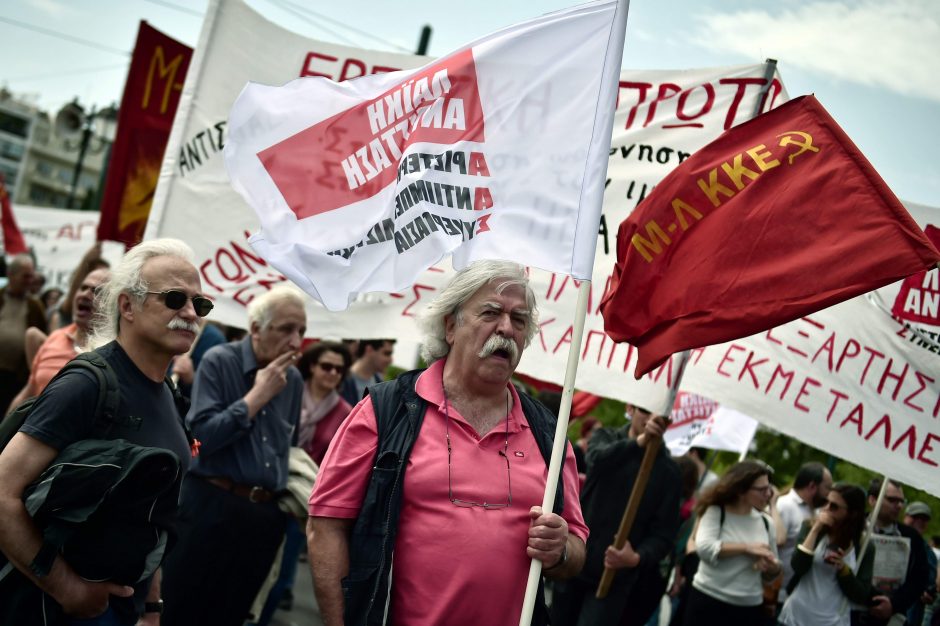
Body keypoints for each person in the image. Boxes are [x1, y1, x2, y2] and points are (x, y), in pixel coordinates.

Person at [307, 260, 588, 626]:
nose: (506, 327)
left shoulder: (548, 432)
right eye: (491, 312)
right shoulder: (386, 410)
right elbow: (326, 525)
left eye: (519, 320)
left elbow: (576, 549)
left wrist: (560, 550)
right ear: (451, 325)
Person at [0, 238, 208, 625]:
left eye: (201, 304)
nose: (191, 313)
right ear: (127, 305)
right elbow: (2, 493)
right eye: (175, 299)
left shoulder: (171, 394)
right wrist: (67, 588)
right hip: (55, 608)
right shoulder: (89, 384)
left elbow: (154, 516)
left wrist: (150, 608)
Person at [160, 286, 306, 626]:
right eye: (286, 329)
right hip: (212, 505)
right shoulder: (220, 360)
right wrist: (256, 397)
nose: (296, 342)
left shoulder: (294, 379)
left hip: (263, 517)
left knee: (233, 614)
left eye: (301, 331)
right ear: (256, 329)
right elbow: (202, 437)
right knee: (181, 610)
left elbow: (288, 446)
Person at [551, 404, 681, 626]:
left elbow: (664, 534)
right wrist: (638, 444)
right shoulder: (605, 437)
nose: (650, 419)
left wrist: (637, 557)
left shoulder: (669, 473)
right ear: (630, 409)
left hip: (613, 578)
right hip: (575, 559)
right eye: (645, 410)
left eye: (659, 416)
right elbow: (597, 460)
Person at [683, 460, 781, 625]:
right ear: (741, 491)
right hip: (708, 600)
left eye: (769, 488)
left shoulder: (766, 523)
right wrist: (747, 548)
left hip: (748, 607)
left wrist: (772, 567)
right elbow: (704, 548)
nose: (769, 494)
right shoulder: (716, 511)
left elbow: (772, 572)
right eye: (762, 489)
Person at [6, 267, 111, 413]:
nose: (86, 294)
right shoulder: (55, 338)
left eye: (97, 291)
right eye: (83, 287)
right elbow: (29, 390)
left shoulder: (113, 353)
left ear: (112, 304)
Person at [778, 483, 874, 626]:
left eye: (834, 507)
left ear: (852, 513)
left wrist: (844, 570)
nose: (826, 509)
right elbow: (798, 566)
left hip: (832, 621)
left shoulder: (864, 545)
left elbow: (861, 595)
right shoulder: (810, 527)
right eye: (825, 502)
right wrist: (815, 530)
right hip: (795, 616)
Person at [856, 479, 929, 626]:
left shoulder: (912, 537)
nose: (899, 506)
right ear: (872, 500)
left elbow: (919, 579)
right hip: (852, 611)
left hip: (891, 617)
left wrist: (894, 604)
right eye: (892, 500)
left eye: (902, 501)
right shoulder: (853, 527)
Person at [777, 461, 833, 600]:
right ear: (812, 486)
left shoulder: (818, 510)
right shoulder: (784, 506)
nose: (830, 494)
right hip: (777, 594)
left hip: (799, 595)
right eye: (827, 488)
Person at [0, 254, 47, 410]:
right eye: (25, 276)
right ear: (10, 275)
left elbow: (44, 341)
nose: (30, 281)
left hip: (15, 378)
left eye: (31, 276)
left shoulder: (35, 306)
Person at [297, 340, 353, 465]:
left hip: (313, 480)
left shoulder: (345, 412)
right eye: (326, 367)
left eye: (339, 369)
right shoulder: (291, 395)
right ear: (312, 366)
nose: (333, 373)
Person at [904, 502, 937, 626]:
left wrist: (928, 593)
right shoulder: (892, 541)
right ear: (906, 517)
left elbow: (931, 584)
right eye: (915, 517)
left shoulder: (928, 552)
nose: (919, 522)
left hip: (911, 613)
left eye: (924, 519)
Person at [338, 338, 395, 405]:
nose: (391, 360)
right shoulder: (339, 380)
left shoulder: (381, 386)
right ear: (369, 349)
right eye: (386, 353)